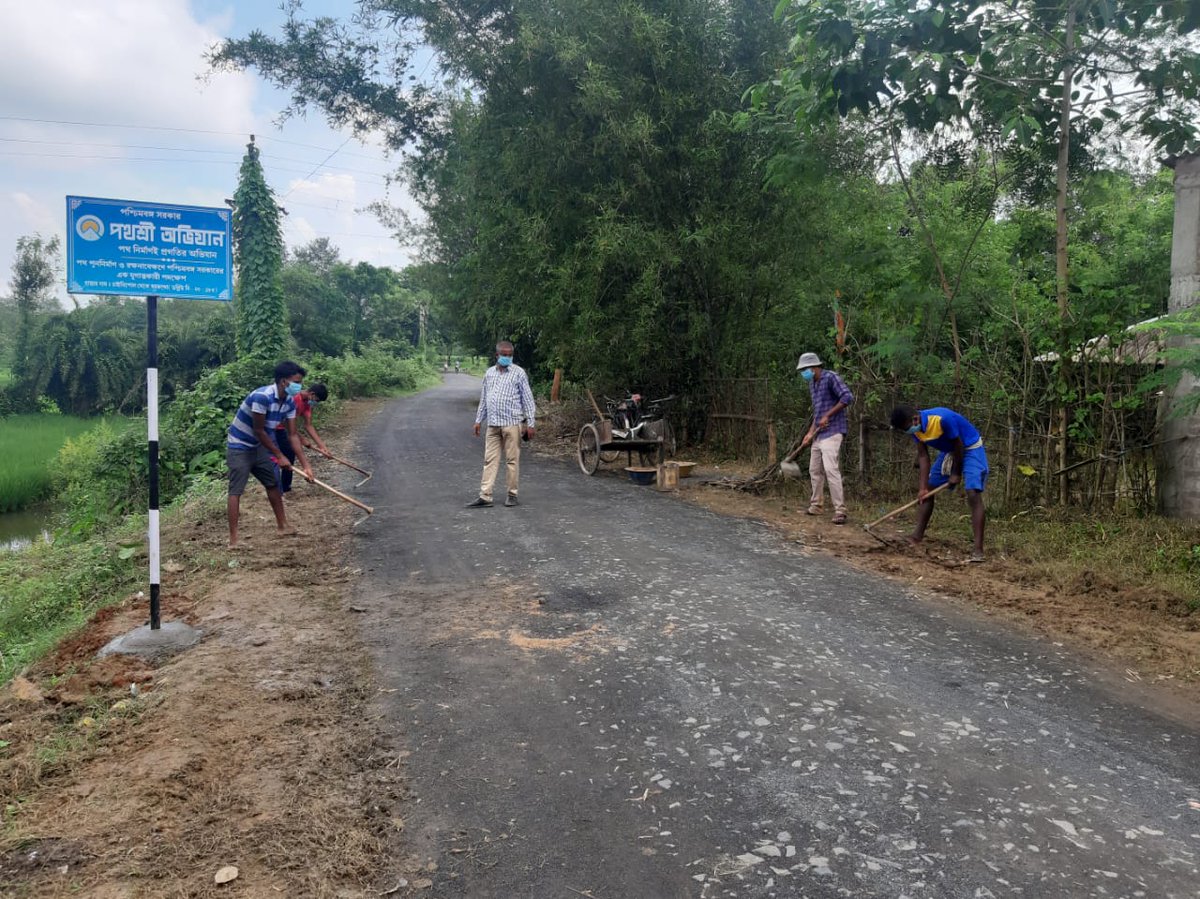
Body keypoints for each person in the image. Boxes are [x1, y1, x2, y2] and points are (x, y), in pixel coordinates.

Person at [226, 361, 314, 548]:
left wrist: (305, 465)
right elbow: (259, 430)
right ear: (283, 382)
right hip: (239, 446)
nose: (300, 386)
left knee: (273, 483)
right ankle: (234, 540)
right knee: (236, 491)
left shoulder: (289, 402)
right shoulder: (262, 397)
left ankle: (283, 526)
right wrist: (279, 455)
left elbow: (292, 435)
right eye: (296, 382)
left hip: (259, 447)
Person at [889, 404, 988, 562]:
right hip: (950, 451)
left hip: (969, 447)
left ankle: (978, 550)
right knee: (928, 491)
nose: (908, 432)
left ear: (914, 419)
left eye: (907, 428)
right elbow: (923, 456)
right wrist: (922, 488)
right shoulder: (916, 430)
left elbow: (959, 446)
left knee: (972, 492)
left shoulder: (942, 419)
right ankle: (916, 537)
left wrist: (956, 473)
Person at [467, 340, 536, 508]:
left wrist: (531, 423)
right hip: (493, 424)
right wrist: (478, 420)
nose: (507, 358)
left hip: (512, 424)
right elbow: (484, 398)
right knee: (489, 460)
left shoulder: (518, 373)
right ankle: (485, 495)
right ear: (496, 355)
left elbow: (527, 399)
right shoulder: (489, 373)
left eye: (510, 355)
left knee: (512, 460)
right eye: (504, 355)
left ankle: (512, 494)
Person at [796, 352, 855, 525]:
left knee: (831, 469)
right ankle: (816, 505)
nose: (803, 373)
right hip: (819, 434)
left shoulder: (831, 378)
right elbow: (818, 414)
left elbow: (847, 397)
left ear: (814, 367)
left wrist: (829, 415)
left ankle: (840, 510)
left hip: (834, 431)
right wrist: (809, 433)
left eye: (805, 370)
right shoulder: (812, 385)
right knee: (814, 470)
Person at [275, 382, 330, 493]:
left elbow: (308, 425)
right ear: (312, 394)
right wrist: (302, 439)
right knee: (283, 455)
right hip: (275, 427)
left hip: (284, 430)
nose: (315, 403)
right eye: (317, 400)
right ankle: (278, 488)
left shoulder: (307, 404)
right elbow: (285, 422)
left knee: (290, 454)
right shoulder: (294, 399)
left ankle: (285, 487)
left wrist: (322, 447)